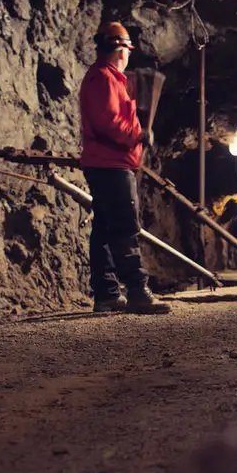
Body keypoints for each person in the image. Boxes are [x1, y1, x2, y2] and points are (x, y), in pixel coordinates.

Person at [79, 21, 170, 314]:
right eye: (128, 49)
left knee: (105, 229)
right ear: (120, 49)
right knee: (124, 227)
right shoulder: (103, 78)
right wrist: (139, 134)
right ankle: (137, 291)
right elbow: (108, 122)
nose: (129, 55)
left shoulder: (110, 79)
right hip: (111, 164)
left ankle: (106, 294)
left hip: (108, 163)